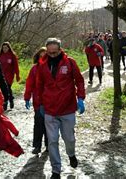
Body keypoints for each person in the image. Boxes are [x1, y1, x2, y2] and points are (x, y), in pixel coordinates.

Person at [36, 38, 86, 179]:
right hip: (50, 109)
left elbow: (79, 80)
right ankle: (56, 170)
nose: (52, 55)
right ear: (47, 51)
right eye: (50, 53)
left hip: (67, 108)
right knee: (52, 141)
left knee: (69, 138)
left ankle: (71, 154)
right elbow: (39, 85)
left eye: (55, 52)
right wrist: (39, 104)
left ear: (60, 50)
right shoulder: (42, 65)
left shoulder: (70, 62)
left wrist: (80, 98)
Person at [23, 47, 48, 154]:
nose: (43, 58)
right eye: (41, 56)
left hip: (51, 102)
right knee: (38, 124)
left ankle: (49, 145)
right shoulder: (34, 69)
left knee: (50, 125)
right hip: (38, 102)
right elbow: (29, 84)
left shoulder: (52, 68)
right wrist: (27, 97)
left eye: (45, 56)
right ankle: (37, 146)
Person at [0, 42, 20, 109]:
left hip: (9, 75)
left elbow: (16, 66)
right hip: (2, 75)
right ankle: (6, 101)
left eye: (6, 48)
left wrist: (17, 75)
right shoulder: (0, 56)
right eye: (3, 48)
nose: (4, 49)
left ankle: (10, 100)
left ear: (9, 48)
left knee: (8, 87)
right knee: (3, 89)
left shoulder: (12, 55)